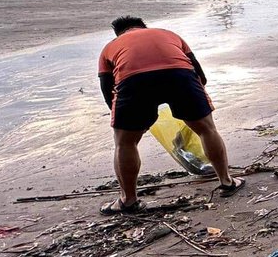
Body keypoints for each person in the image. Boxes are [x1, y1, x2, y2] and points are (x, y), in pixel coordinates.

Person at [97, 16, 243, 213]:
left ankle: (128, 200)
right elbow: (200, 75)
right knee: (207, 130)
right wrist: (194, 106)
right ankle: (227, 181)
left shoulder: (110, 46)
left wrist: (126, 122)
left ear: (119, 33)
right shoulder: (169, 35)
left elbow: (108, 90)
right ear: (143, 27)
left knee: (125, 143)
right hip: (180, 75)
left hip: (133, 81)